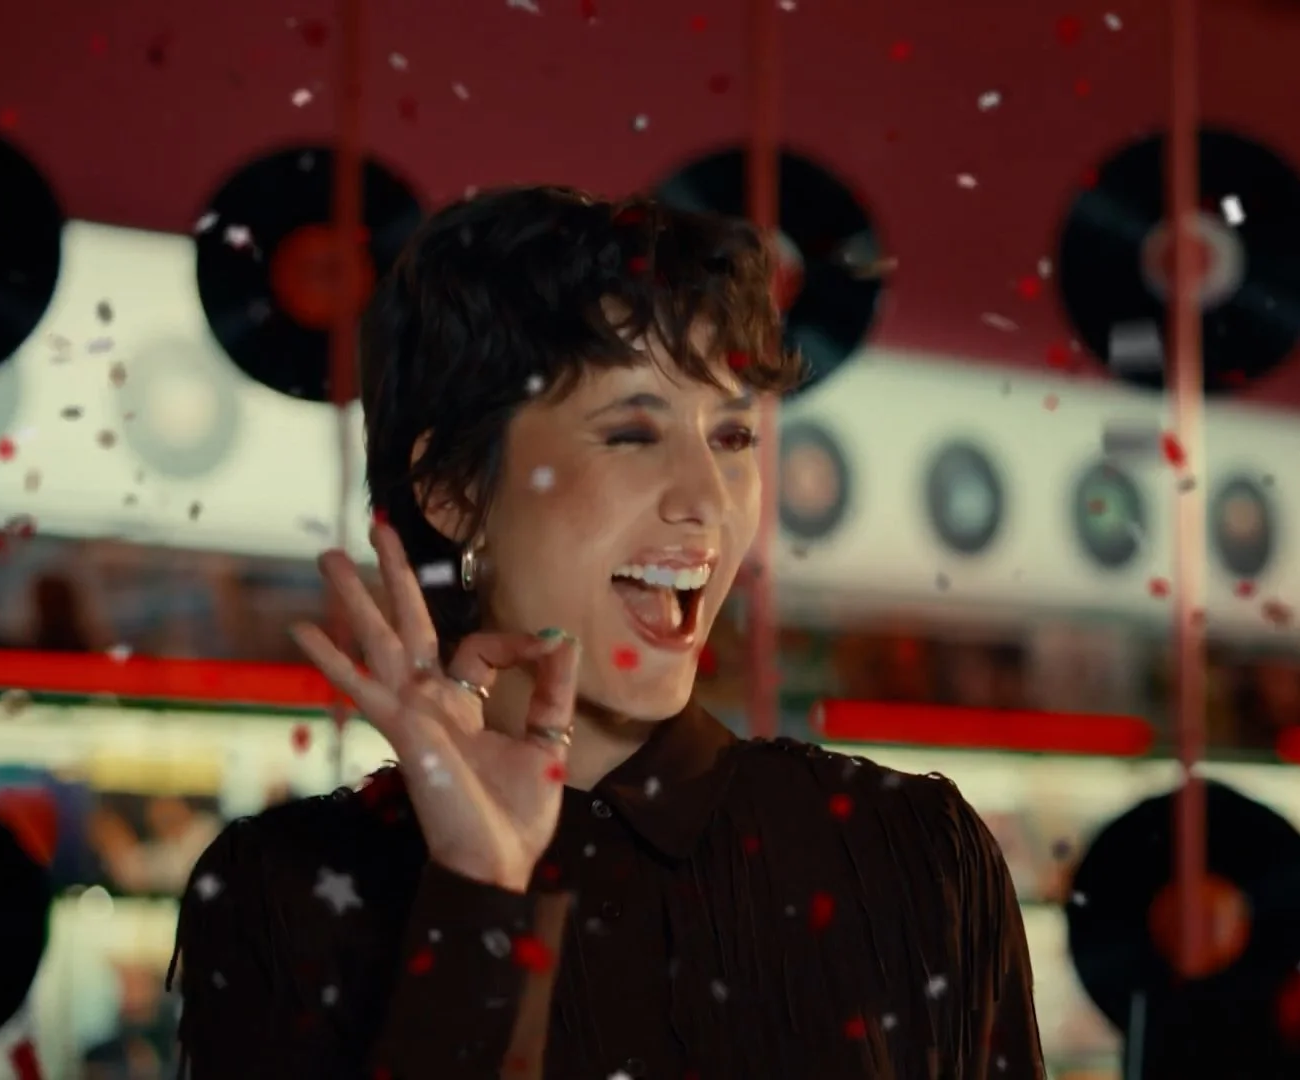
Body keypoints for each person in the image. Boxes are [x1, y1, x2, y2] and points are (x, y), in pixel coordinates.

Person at [168, 186, 1044, 1079]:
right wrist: (476, 897)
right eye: (630, 433)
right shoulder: (283, 892)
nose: (706, 499)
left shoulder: (912, 854)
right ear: (456, 490)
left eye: (733, 436)